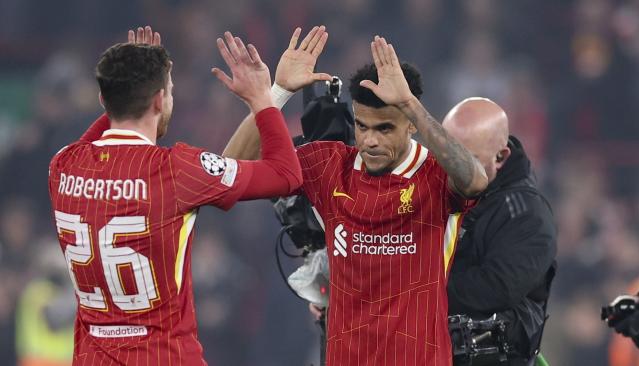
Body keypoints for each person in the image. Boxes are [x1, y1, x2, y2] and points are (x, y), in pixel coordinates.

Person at [224, 27, 488, 366]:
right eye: (362, 126)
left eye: (385, 128)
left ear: (410, 124)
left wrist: (410, 103)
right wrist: (278, 92)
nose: (370, 141)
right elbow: (227, 170)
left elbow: (476, 181)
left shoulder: (435, 173)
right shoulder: (331, 165)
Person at [47, 26, 302, 365]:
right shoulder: (177, 170)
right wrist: (262, 100)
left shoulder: (63, 167)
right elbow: (286, 174)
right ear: (158, 100)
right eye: (169, 90)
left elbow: (100, 130)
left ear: (103, 100)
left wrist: (128, 81)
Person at [443, 98, 557, 366]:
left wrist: (416, 286)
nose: (452, 166)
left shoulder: (527, 214)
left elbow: (494, 289)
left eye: (467, 159)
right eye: (447, 152)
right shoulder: (433, 191)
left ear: (501, 157)